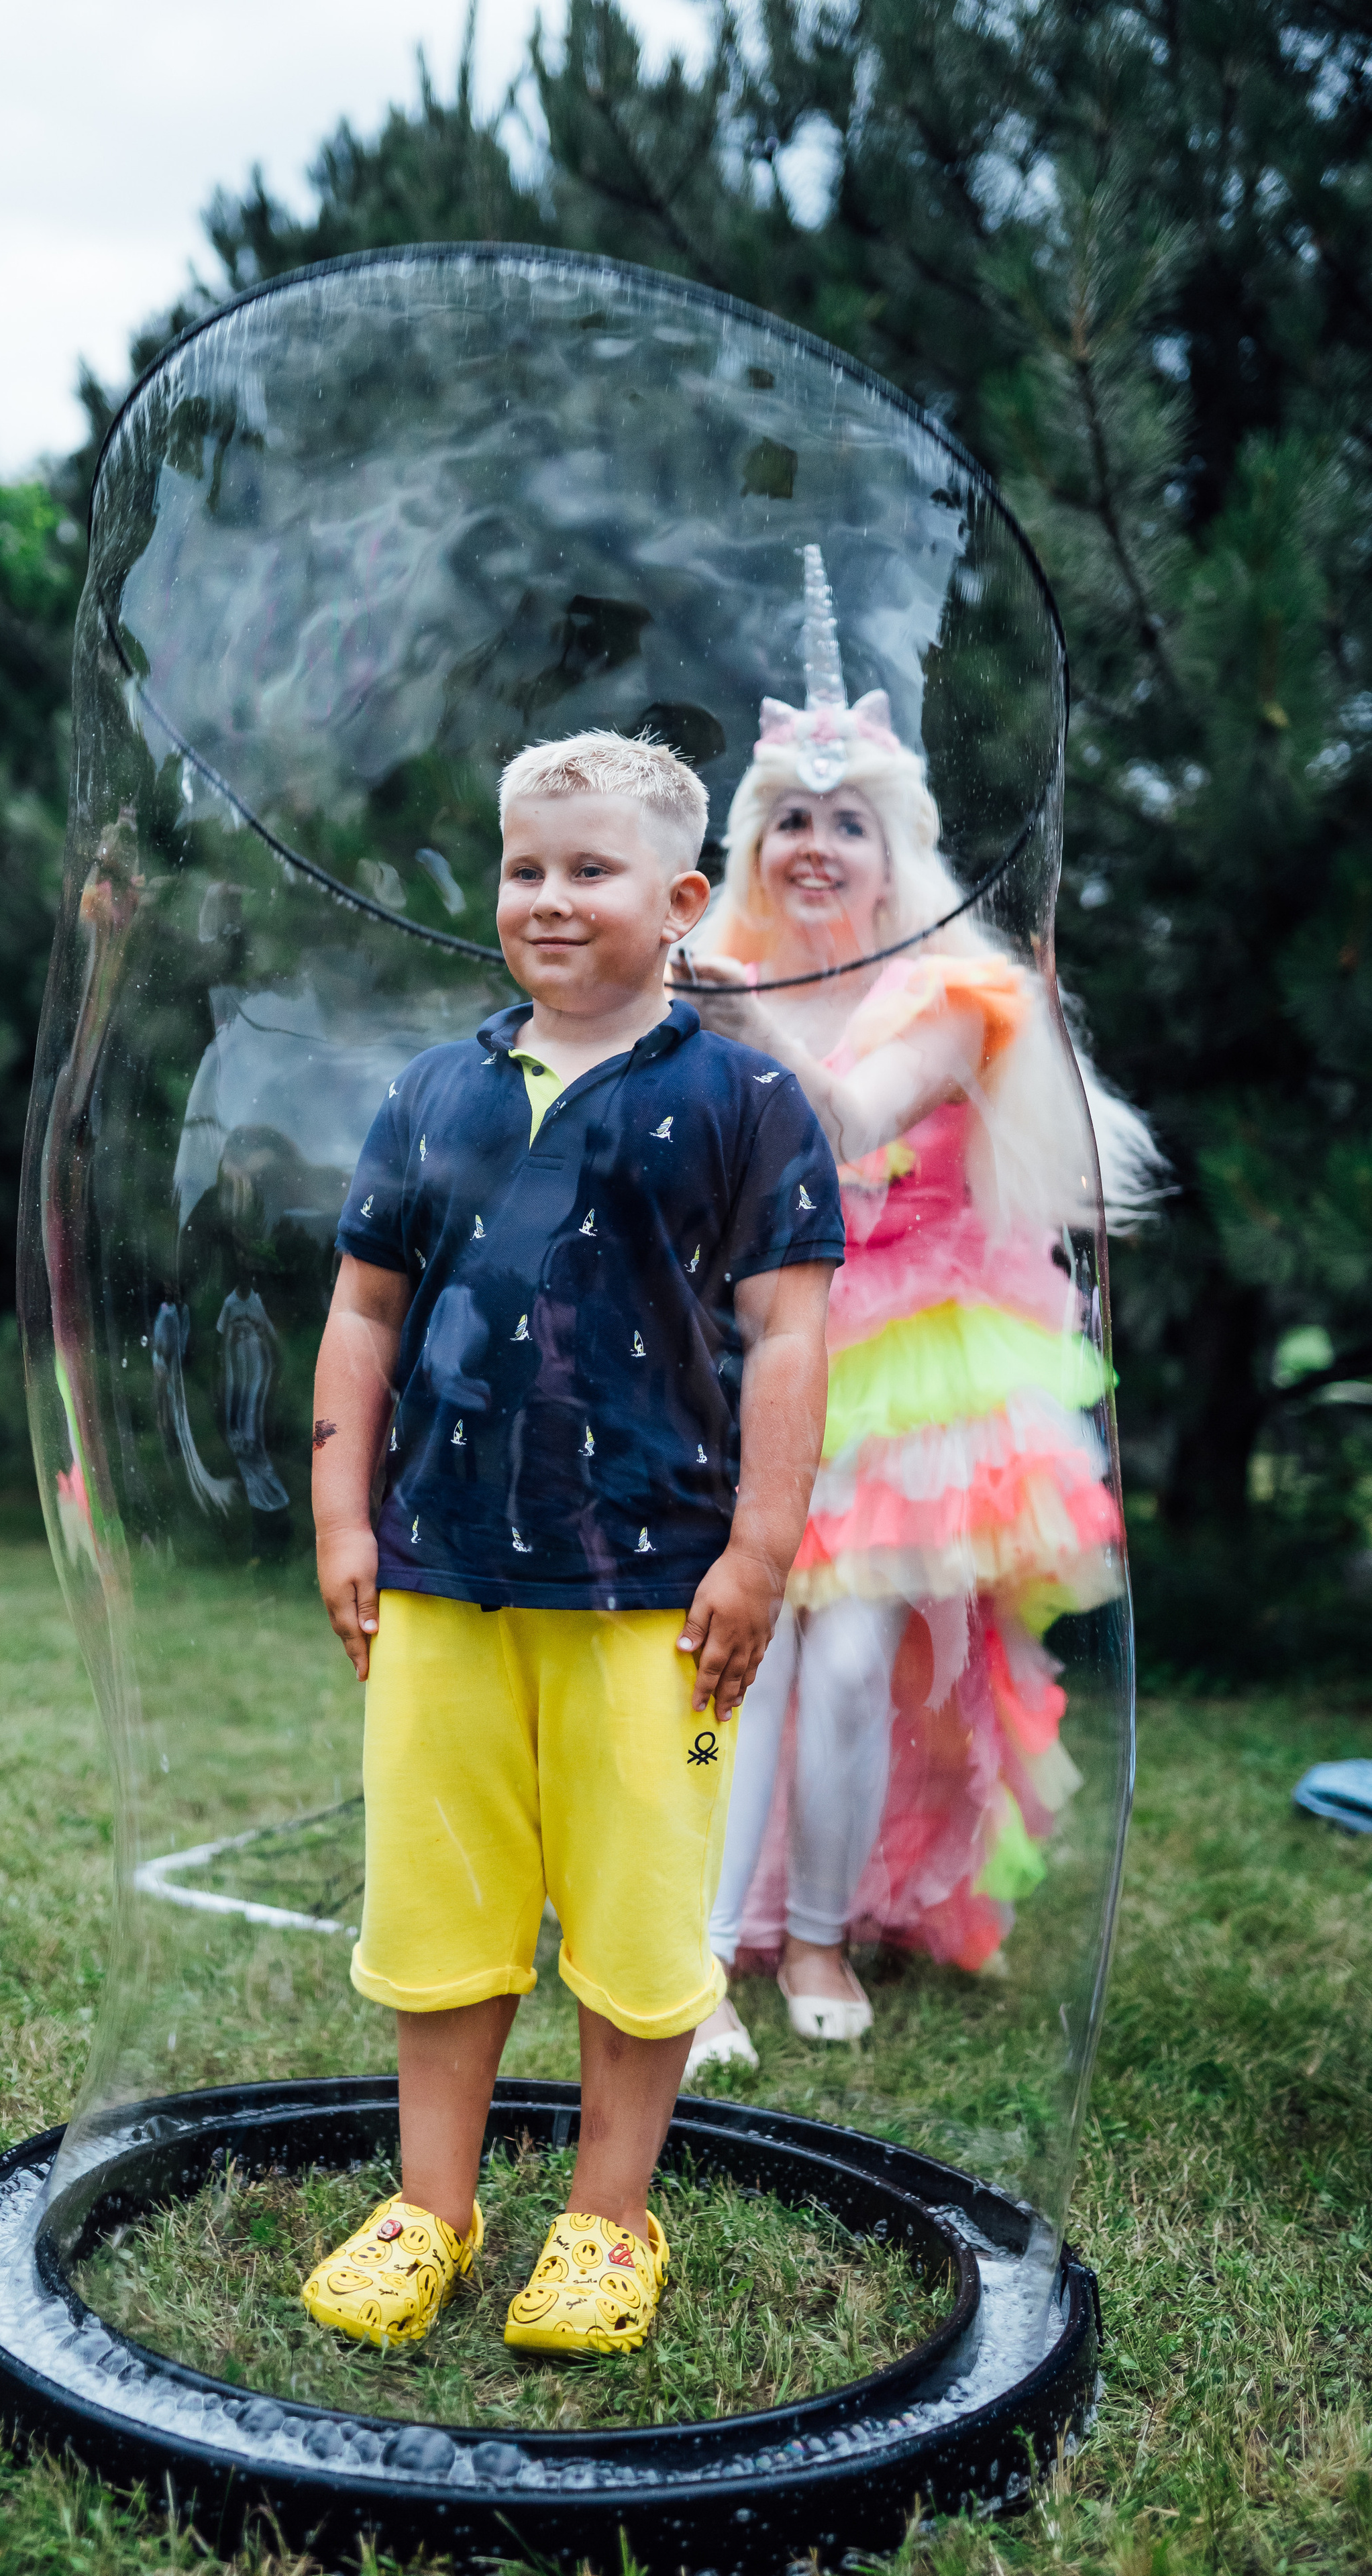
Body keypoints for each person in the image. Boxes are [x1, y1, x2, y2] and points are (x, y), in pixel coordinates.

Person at [301, 730, 843, 2355]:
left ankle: (607, 2226)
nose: (546, 898)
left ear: (680, 898)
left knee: (629, 1921)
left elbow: (791, 1340)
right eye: (523, 866)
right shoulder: (433, 1090)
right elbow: (358, 1312)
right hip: (443, 1576)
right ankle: (431, 2208)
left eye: (589, 870)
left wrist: (755, 1556)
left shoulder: (745, 1098)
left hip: (650, 1595)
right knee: (442, 1909)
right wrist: (342, 1511)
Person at [675, 548, 1159, 2072]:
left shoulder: (956, 996)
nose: (816, 847)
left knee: (839, 1654)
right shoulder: (717, 969)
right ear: (753, 844)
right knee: (728, 1650)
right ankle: (688, 1964)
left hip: (904, 1361)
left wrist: (728, 1019)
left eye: (846, 822)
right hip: (752, 1347)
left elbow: (835, 1121)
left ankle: (817, 1935)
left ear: (894, 849)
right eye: (789, 821)